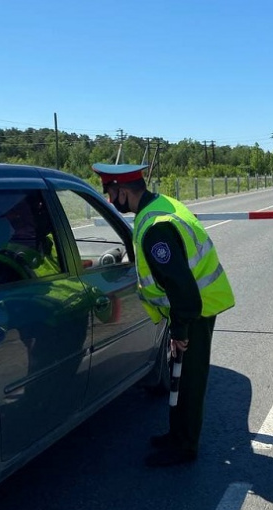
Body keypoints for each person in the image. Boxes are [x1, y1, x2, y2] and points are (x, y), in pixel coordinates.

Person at [92, 163, 235, 467]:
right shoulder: (160, 205)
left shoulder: (155, 227)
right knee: (179, 376)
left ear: (121, 191)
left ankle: (185, 446)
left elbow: (183, 291)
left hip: (196, 310)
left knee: (190, 380)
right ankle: (176, 434)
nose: (109, 201)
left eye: (110, 194)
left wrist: (180, 332)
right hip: (192, 307)